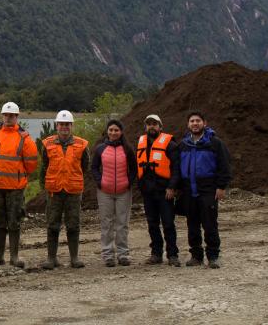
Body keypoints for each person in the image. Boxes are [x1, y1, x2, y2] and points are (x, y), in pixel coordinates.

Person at [0, 101, 38, 268]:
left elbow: (31, 164)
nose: (8, 118)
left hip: (15, 187)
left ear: (17, 117)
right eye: (6, 115)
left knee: (14, 221)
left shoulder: (25, 138)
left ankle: (14, 257)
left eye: (12, 115)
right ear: (2, 116)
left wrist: (18, 176)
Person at [179, 111, 232, 268]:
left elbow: (225, 165)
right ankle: (196, 256)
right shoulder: (184, 145)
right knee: (192, 224)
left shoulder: (214, 143)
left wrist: (221, 187)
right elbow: (177, 167)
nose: (195, 123)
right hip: (189, 190)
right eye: (192, 121)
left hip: (208, 188)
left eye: (198, 121)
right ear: (188, 125)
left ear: (204, 123)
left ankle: (213, 256)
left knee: (209, 224)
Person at [39, 110, 89, 269]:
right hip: (54, 191)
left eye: (67, 124)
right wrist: (46, 186)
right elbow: (44, 166)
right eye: (61, 124)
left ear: (72, 126)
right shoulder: (47, 144)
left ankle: (74, 258)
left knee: (73, 224)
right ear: (56, 125)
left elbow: (85, 167)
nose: (64, 127)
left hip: (73, 190)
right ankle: (51, 258)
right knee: (52, 224)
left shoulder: (82, 145)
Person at [136, 114, 182, 267]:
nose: (151, 126)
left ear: (160, 127)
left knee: (168, 223)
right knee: (152, 224)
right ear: (145, 127)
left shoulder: (170, 144)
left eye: (154, 124)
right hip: (148, 191)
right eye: (149, 124)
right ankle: (156, 253)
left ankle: (173, 254)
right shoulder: (141, 142)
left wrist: (172, 187)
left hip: (164, 191)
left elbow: (176, 168)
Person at [91, 119, 137, 267]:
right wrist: (100, 182)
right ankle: (108, 255)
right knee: (107, 223)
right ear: (107, 131)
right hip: (105, 191)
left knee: (122, 224)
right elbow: (94, 167)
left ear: (121, 132)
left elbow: (134, 169)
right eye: (111, 130)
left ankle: (123, 254)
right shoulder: (100, 149)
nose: (113, 132)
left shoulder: (128, 149)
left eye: (116, 130)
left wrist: (129, 182)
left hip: (124, 191)